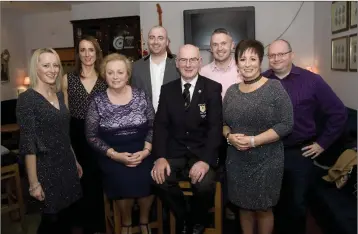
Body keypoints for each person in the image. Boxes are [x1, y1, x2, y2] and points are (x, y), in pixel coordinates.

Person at [262, 39, 348, 234]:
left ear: (291, 55)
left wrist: (322, 143)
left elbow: (338, 113)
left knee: (297, 205)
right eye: (272, 55)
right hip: (268, 152)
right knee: (271, 204)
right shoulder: (262, 81)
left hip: (300, 153)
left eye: (281, 54)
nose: (276, 59)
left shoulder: (312, 81)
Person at [223, 39, 293, 234]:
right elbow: (223, 124)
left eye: (252, 58)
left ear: (260, 61)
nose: (247, 64)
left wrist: (254, 141)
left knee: (263, 208)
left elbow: (286, 124)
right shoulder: (231, 92)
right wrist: (229, 137)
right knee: (243, 207)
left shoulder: (274, 88)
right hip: (237, 160)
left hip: (267, 160)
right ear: (236, 62)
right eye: (242, 59)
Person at [151, 44, 223, 234]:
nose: (188, 64)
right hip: (175, 153)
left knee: (205, 184)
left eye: (193, 60)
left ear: (200, 62)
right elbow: (160, 126)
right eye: (183, 60)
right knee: (157, 179)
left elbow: (215, 129)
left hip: (201, 153)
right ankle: (184, 216)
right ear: (177, 63)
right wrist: (160, 157)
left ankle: (198, 220)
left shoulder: (213, 89)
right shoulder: (167, 90)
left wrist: (206, 161)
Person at [85, 53, 155, 234]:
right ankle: (126, 223)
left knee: (149, 175)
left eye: (120, 72)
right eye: (110, 73)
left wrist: (146, 151)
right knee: (120, 178)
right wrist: (115, 155)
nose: (115, 76)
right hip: (112, 155)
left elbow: (153, 126)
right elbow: (91, 136)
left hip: (143, 151)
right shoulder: (97, 101)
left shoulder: (141, 95)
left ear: (127, 74)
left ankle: (144, 221)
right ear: (104, 75)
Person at [16, 48, 83, 234]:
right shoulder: (27, 99)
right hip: (46, 168)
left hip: (67, 164)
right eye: (46, 65)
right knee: (51, 221)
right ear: (36, 68)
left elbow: (64, 133)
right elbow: (28, 143)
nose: (52, 70)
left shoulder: (60, 95)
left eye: (55, 65)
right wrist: (33, 183)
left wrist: (74, 159)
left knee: (68, 219)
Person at [62, 35, 107, 234]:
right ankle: (82, 226)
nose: (87, 54)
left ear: (96, 53)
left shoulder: (106, 77)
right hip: (76, 135)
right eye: (83, 50)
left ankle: (99, 225)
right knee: (80, 180)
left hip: (101, 134)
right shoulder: (68, 79)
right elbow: (64, 114)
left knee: (98, 180)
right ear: (78, 53)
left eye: (91, 50)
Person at [200, 27, 243, 220]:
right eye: (215, 45)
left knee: (236, 173)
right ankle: (219, 207)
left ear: (232, 45)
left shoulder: (244, 70)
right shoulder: (203, 72)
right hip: (211, 133)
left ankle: (233, 206)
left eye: (223, 43)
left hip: (239, 132)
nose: (220, 48)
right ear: (210, 49)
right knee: (216, 172)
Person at [132, 25, 179, 112]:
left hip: (173, 121)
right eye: (152, 38)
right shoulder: (136, 67)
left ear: (167, 42)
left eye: (160, 38)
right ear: (148, 41)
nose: (155, 42)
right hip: (146, 121)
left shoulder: (179, 63)